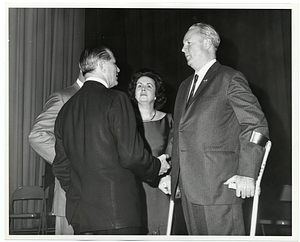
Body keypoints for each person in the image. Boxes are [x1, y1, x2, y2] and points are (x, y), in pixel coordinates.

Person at [52, 46, 170, 235]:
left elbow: (60, 167)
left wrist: (80, 192)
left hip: (82, 216)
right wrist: (157, 167)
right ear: (102, 65)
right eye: (114, 63)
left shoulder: (65, 111)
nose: (118, 69)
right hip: (118, 215)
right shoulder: (117, 99)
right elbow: (131, 156)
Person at [165, 23, 269, 235]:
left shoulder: (229, 78)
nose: (183, 49)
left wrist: (247, 173)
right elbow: (178, 133)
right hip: (187, 190)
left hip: (218, 189)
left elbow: (256, 125)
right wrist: (171, 173)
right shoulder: (185, 86)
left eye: (188, 43)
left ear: (207, 43)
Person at [28, 71, 85, 235]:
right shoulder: (64, 97)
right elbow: (37, 135)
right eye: (112, 63)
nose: (117, 69)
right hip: (70, 195)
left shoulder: (105, 98)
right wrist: (70, 161)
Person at [128, 68, 173, 235]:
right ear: (134, 93)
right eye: (139, 85)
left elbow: (175, 154)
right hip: (133, 186)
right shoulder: (126, 121)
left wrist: (169, 177)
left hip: (160, 188)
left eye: (149, 85)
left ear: (156, 94)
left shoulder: (168, 120)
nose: (143, 89)